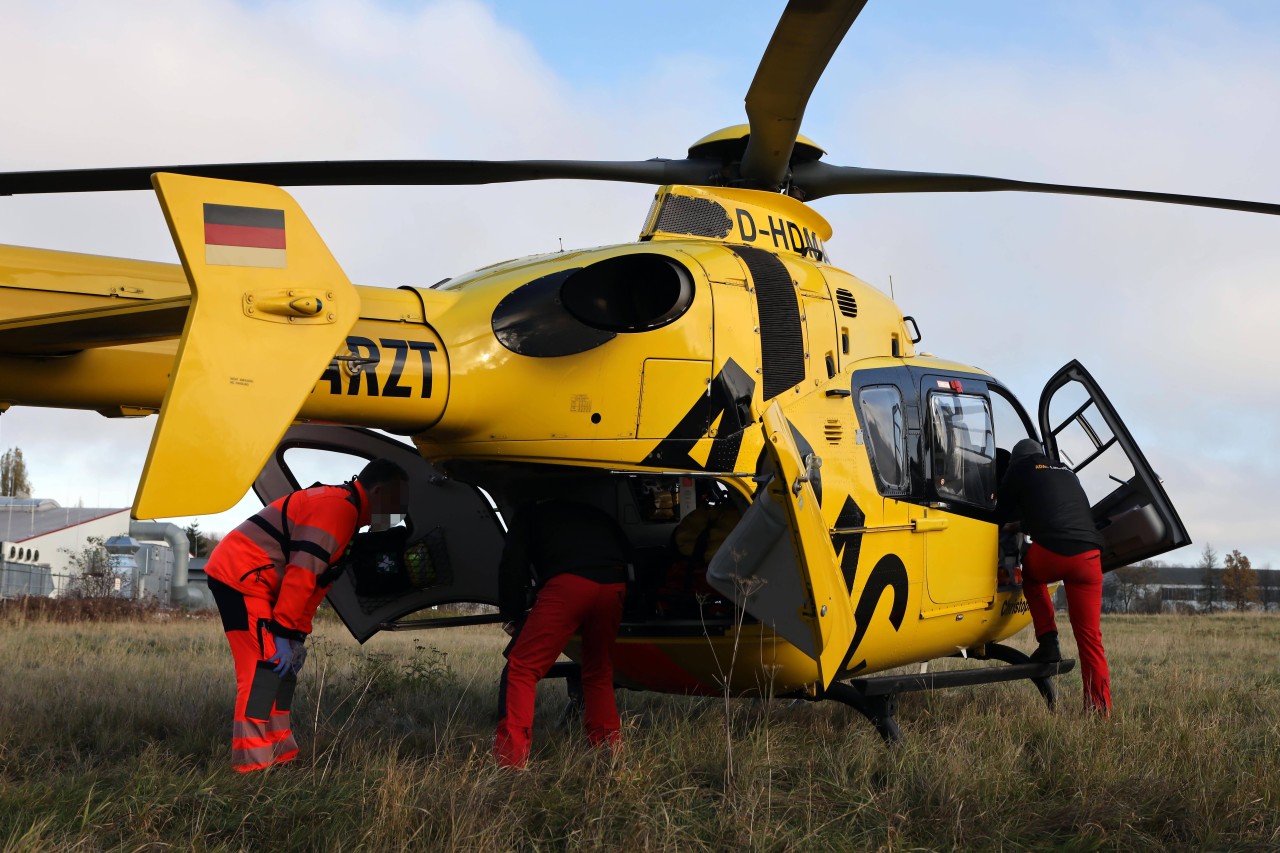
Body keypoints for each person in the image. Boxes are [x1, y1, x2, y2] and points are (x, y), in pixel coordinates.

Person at [205, 458, 409, 772]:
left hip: (259, 581)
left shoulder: (348, 515)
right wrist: (284, 633)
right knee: (262, 671)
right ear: (379, 492)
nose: (400, 513)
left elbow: (317, 583)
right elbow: (301, 575)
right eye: (398, 502)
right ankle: (253, 768)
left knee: (282, 673)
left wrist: (296, 637)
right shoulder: (337, 509)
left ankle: (281, 753)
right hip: (242, 577)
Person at [494, 498, 630, 769]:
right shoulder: (593, 509)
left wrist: (511, 613)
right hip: (614, 584)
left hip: (569, 586)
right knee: (598, 671)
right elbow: (626, 549)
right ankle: (608, 753)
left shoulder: (529, 511)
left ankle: (511, 762)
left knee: (523, 668)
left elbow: (512, 564)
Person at [997, 438, 1110, 715]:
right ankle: (1099, 710)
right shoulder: (1067, 471)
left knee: (1031, 576)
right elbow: (1056, 512)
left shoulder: (1020, 467)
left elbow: (998, 513)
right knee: (1090, 638)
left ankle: (1048, 642)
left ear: (1017, 458)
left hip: (1054, 553)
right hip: (1089, 557)